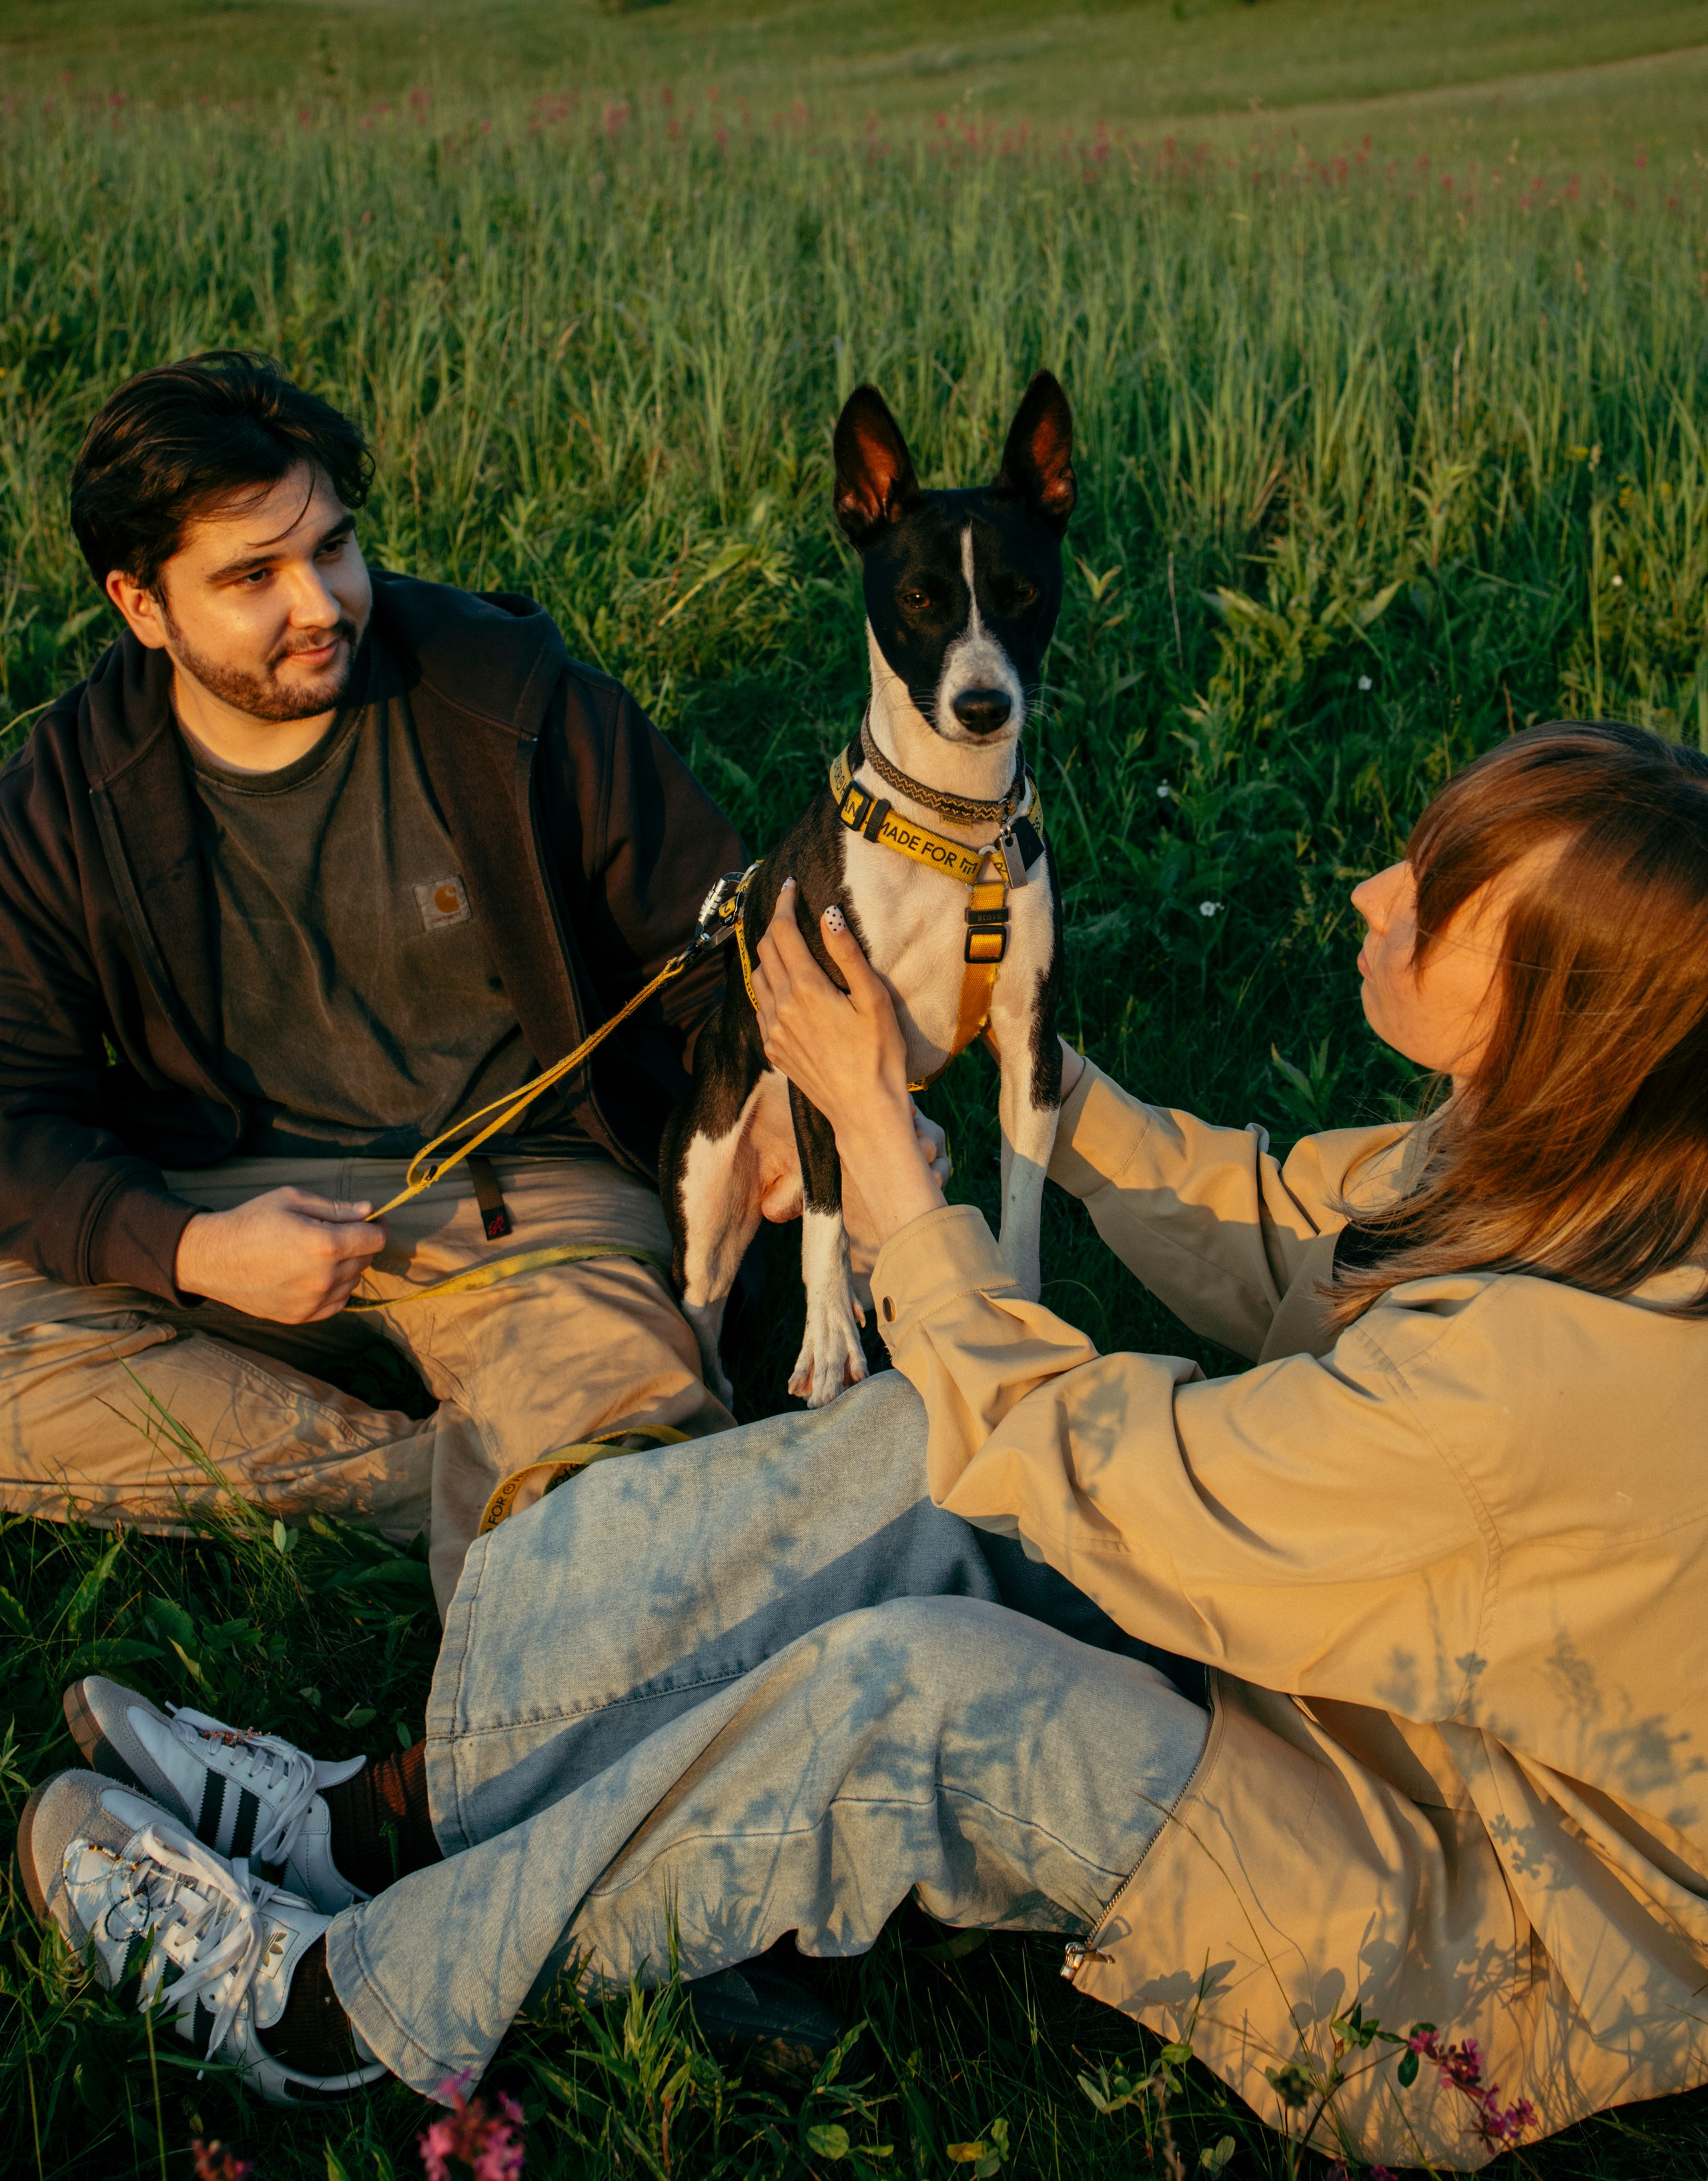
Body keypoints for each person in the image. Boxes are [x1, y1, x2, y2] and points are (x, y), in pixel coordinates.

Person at [21, 721, 1708, 2164]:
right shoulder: (1594, 1161)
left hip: (1464, 1939)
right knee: (915, 1437)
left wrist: (892, 1175)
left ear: (1559, 1012)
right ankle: (379, 1816)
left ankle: (339, 2013)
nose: (1370, 895)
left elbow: (1113, 1487)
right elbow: (1286, 1228)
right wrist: (1003, 1053)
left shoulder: (1546, 1383)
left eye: (1432, 896)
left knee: (913, 1690)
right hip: (1374, 1709)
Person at [0, 350, 770, 1606]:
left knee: (634, 1424)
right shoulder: (68, 796)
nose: (322, 603)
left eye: (333, 548)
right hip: (229, 1207)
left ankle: (551, 1482)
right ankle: (440, 1486)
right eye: (253, 576)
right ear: (143, 607)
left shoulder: (514, 706)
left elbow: (718, 965)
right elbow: (11, 1109)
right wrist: (192, 1250)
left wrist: (787, 1103)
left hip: (528, 1206)